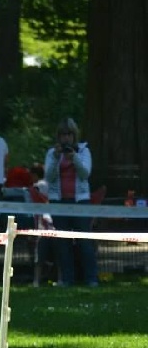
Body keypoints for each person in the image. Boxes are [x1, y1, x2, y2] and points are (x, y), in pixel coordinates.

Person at [43, 117, 98, 287]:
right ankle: (67, 279)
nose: (66, 138)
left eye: (69, 135)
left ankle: (91, 278)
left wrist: (74, 158)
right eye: (62, 135)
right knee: (63, 242)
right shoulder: (52, 153)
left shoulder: (84, 152)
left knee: (84, 241)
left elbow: (85, 173)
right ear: (58, 137)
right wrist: (55, 158)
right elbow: (49, 177)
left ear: (74, 136)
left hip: (80, 202)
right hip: (59, 202)